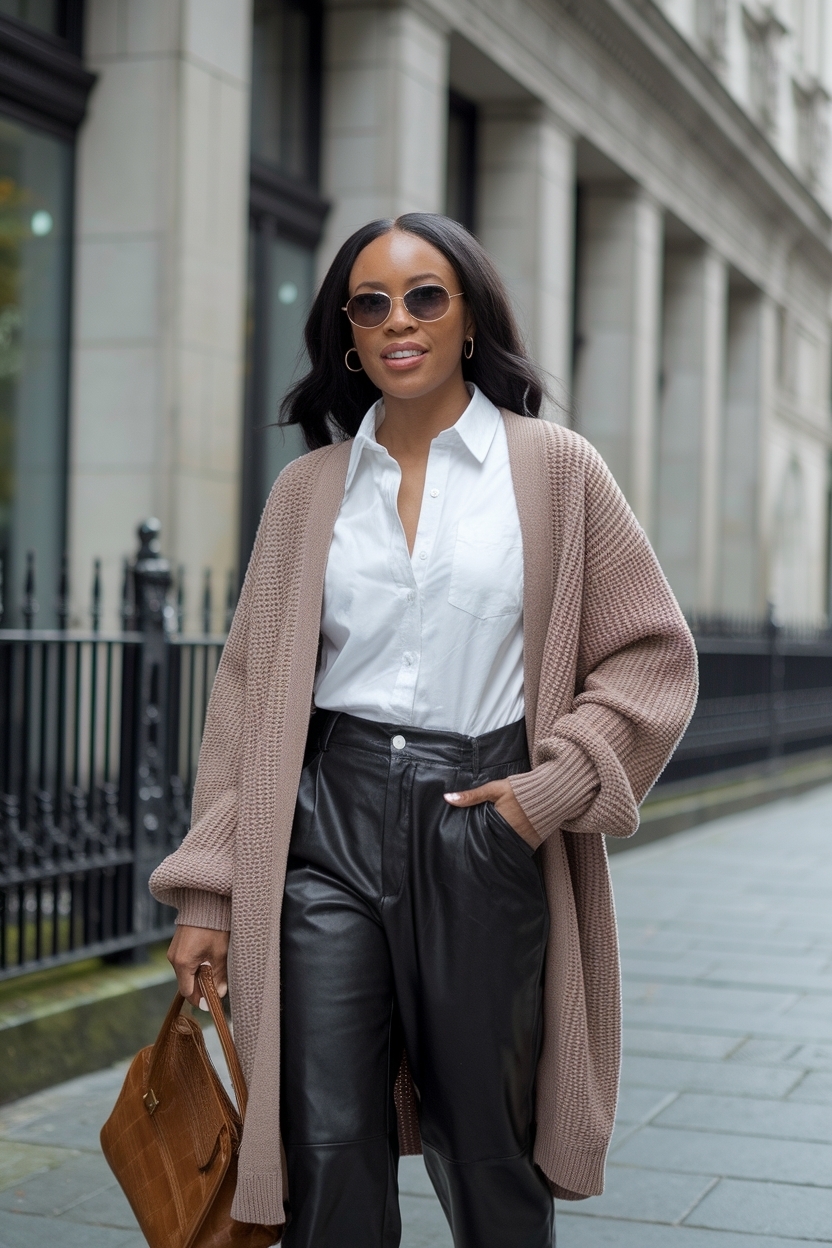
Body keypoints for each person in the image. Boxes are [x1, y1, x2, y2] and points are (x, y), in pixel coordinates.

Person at [151, 213, 698, 1247]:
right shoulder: (308, 490)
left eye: (424, 296)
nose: (397, 321)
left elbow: (652, 654)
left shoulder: (553, 470)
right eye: (371, 303)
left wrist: (541, 799)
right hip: (327, 833)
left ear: (470, 317)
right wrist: (210, 894)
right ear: (347, 336)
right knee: (325, 1141)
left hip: (481, 823)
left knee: (487, 1145)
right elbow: (248, 697)